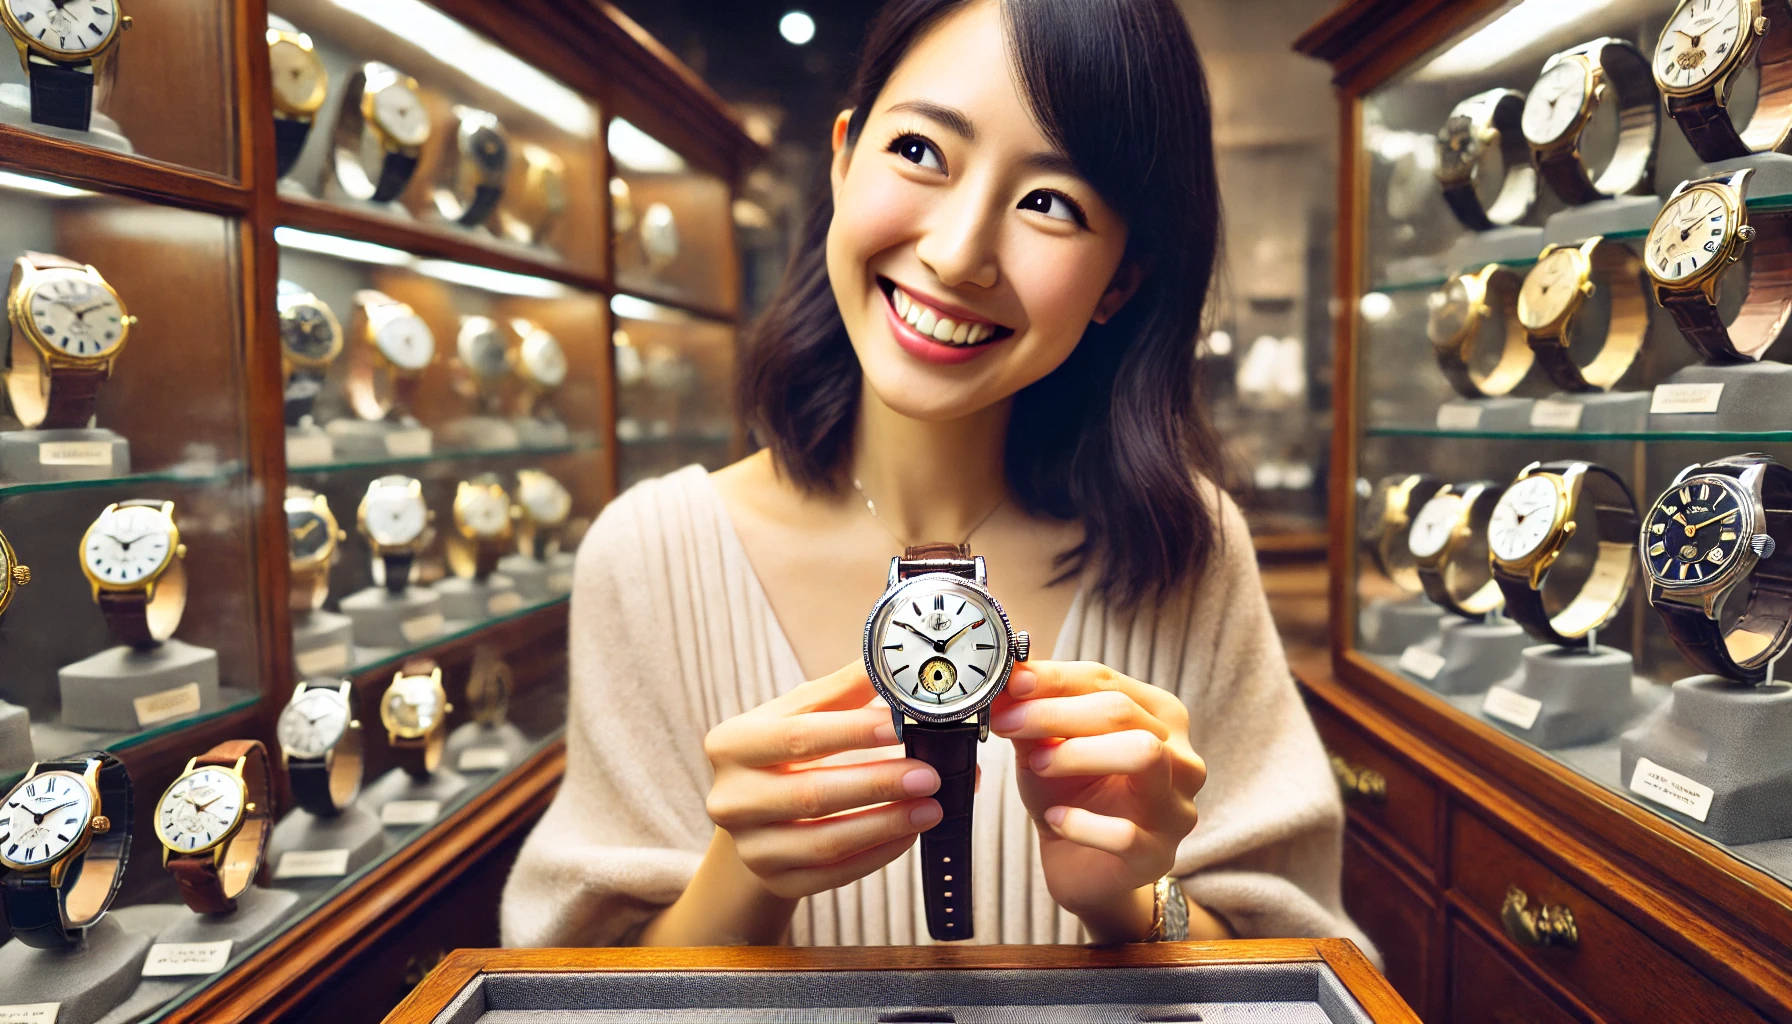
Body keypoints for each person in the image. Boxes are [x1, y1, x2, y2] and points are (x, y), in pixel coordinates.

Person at [502, 0, 1365, 950]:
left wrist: (1128, 901)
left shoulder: (1189, 550)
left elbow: (1306, 967)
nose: (957, 255)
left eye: (1052, 203)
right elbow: (578, 991)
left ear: (1120, 281)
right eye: (920, 151)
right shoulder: (649, 555)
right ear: (843, 157)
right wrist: (745, 873)